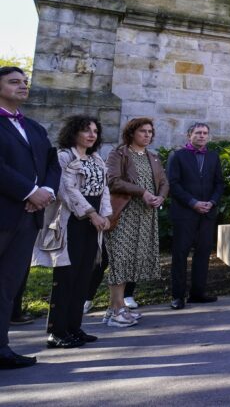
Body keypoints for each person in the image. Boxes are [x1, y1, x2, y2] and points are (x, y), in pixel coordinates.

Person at [33, 116, 111, 348]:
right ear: (73, 132)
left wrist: (105, 214)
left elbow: (104, 188)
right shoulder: (64, 156)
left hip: (94, 222)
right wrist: (91, 213)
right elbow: (67, 189)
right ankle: (56, 332)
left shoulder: (96, 158)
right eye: (86, 130)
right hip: (72, 221)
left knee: (84, 275)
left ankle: (74, 327)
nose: (91, 135)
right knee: (66, 276)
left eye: (95, 131)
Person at [0, 66, 60, 368]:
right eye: (14, 82)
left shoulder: (35, 127)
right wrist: (29, 191)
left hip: (28, 218)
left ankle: (1, 349)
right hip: (5, 212)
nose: (23, 86)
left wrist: (46, 190)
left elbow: (52, 163)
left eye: (25, 82)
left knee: (8, 285)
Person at [105, 118, 168, 327]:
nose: (148, 135)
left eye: (150, 131)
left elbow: (164, 181)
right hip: (124, 213)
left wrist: (160, 196)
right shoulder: (119, 153)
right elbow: (113, 180)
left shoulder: (153, 157)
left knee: (133, 260)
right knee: (120, 259)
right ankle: (117, 310)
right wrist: (142, 192)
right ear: (132, 133)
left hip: (145, 215)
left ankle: (115, 308)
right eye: (143, 131)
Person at [166, 122, 225, 310]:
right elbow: (173, 184)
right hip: (185, 213)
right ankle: (177, 296)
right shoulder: (177, 156)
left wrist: (212, 202)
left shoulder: (213, 156)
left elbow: (219, 184)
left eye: (205, 133)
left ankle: (198, 293)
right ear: (189, 135)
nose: (202, 136)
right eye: (198, 133)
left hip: (207, 213)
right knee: (180, 254)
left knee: (203, 254)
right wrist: (193, 203)